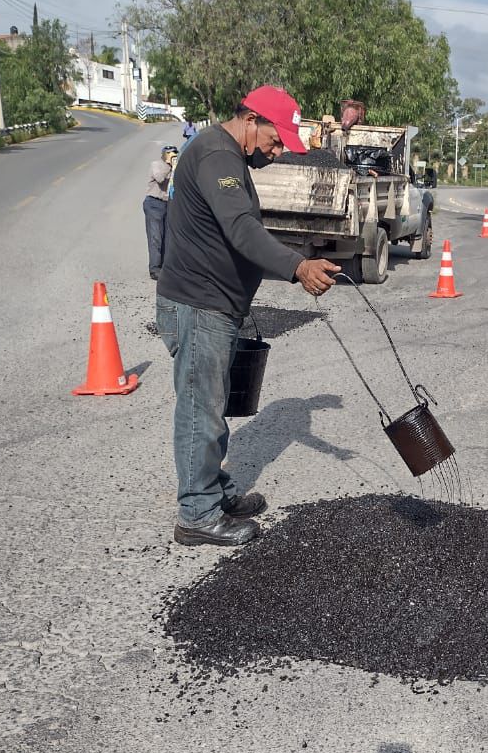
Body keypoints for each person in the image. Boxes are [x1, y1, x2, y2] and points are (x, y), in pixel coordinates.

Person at [156, 86, 340, 548]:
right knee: (201, 409)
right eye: (275, 140)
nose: (277, 152)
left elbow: (238, 237)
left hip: (213, 304)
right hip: (199, 306)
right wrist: (297, 266)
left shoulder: (228, 156)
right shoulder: (218, 156)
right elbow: (241, 230)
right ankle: (196, 513)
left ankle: (213, 493)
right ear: (251, 119)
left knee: (213, 406)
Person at [143, 146, 177, 279]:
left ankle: (165, 266)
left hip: (169, 204)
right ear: (164, 154)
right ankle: (155, 269)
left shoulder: (176, 167)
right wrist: (170, 166)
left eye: (174, 153)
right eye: (169, 154)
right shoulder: (156, 165)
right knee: (156, 236)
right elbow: (160, 178)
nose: (172, 156)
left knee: (168, 238)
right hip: (154, 203)